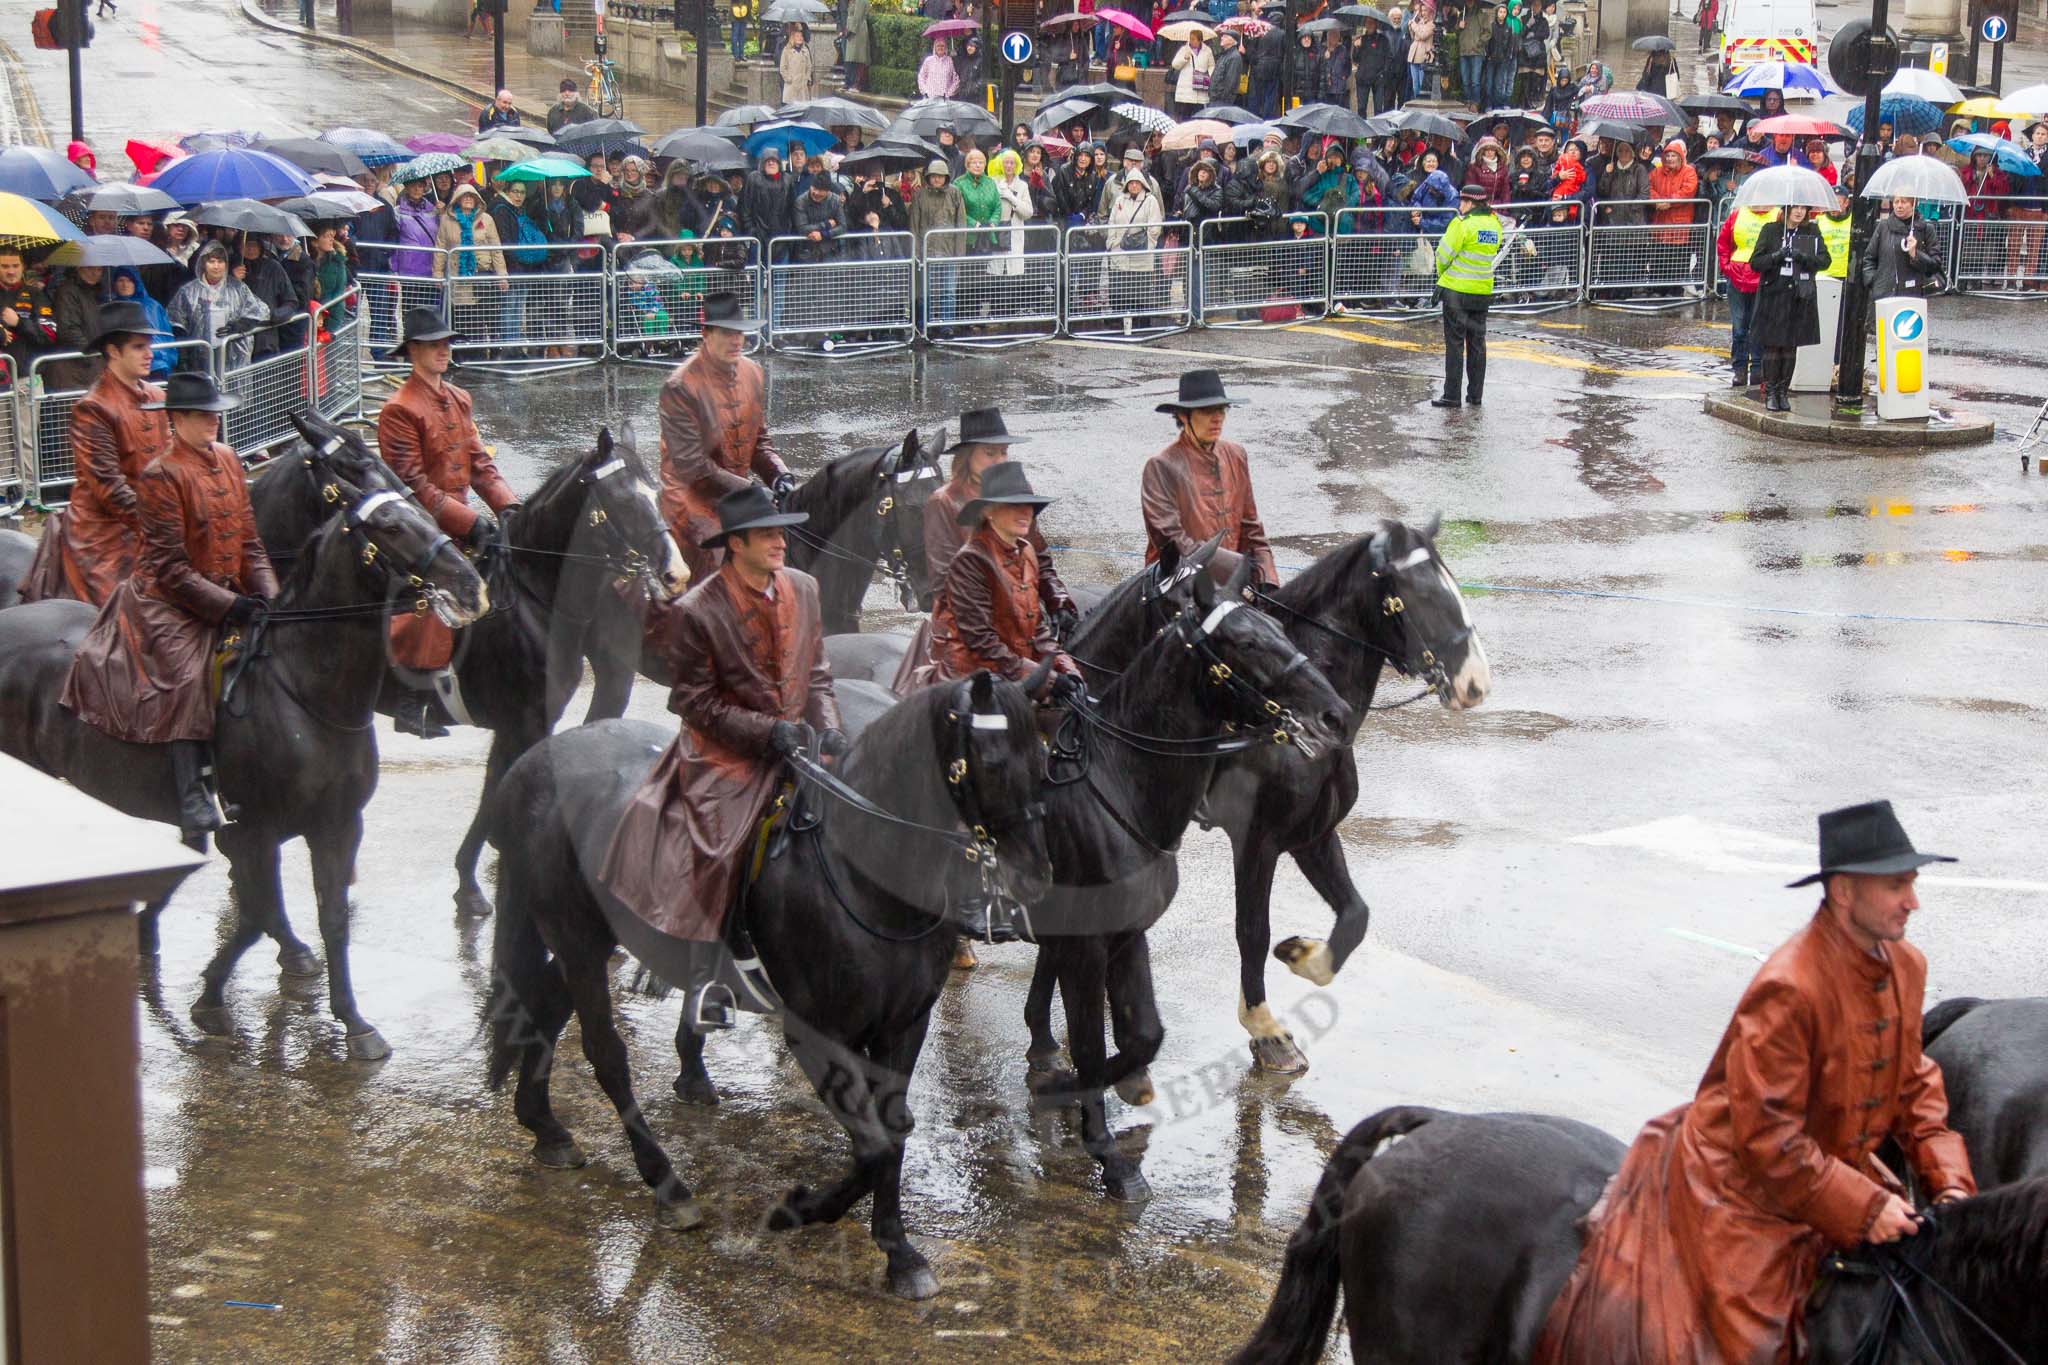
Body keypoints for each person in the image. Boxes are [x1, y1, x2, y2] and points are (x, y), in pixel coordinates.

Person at [1534, 800, 1976, 1365]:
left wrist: (1954, 1189)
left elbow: (1917, 1091)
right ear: (1844, 892)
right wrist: (1865, 1209)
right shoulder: (1790, 985)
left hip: (1837, 1179)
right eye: (1896, 886)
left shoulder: (1906, 965)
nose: (1913, 901)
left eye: (1911, 883)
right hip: (1745, 1194)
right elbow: (1770, 1143)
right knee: (1758, 1352)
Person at [599, 484, 842, 944]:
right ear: (736, 543)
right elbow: (695, 702)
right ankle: (705, 970)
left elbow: (819, 674)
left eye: (781, 534)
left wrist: (829, 729)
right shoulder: (694, 610)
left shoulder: (806, 589)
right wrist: (769, 731)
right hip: (725, 755)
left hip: (800, 741)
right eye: (767, 535)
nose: (780, 543)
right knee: (720, 850)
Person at [57, 372, 277, 850]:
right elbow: (172, 569)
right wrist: (230, 606)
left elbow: (250, 543)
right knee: (185, 673)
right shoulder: (160, 474)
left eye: (215, 412)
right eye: (202, 414)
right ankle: (192, 792)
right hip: (166, 603)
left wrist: (268, 598)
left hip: (222, 588)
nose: (212, 420)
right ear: (176, 420)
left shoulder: (229, 459)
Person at [376, 308, 517, 731]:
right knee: (437, 589)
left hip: (459, 513)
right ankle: (410, 696)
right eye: (434, 344)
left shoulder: (459, 398)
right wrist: (468, 521)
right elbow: (414, 486)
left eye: (446, 343)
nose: (443, 350)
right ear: (413, 351)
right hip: (419, 524)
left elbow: (479, 463)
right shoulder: (399, 409)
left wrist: (509, 507)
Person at [32, 303, 169, 607]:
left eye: (148, 345)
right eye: (138, 346)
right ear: (114, 351)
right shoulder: (93, 408)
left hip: (154, 522)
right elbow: (109, 488)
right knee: (123, 615)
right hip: (104, 534)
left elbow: (172, 463)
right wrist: (163, 524)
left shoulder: (158, 396)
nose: (149, 353)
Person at [909, 461, 1082, 697]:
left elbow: (1037, 629)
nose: (1025, 513)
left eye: (1029, 506)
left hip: (1019, 673)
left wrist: (1066, 668)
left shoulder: (1028, 551)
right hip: (978, 681)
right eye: (1014, 506)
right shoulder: (971, 560)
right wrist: (1048, 680)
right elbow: (981, 641)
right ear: (989, 512)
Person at [656, 291, 789, 583]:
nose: (737, 341)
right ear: (706, 334)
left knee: (786, 543)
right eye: (727, 333)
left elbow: (759, 441)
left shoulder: (753, 372)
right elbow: (692, 467)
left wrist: (779, 476)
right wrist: (749, 490)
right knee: (719, 567)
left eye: (740, 333)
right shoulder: (680, 386)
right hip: (691, 503)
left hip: (736, 495)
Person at [1141, 369, 1276, 587]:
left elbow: (1251, 528)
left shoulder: (1236, 455)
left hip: (1230, 583)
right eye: (1206, 411)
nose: (1218, 418)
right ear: (1184, 417)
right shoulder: (1161, 466)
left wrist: (1266, 580)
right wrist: (1235, 571)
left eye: (1222, 410)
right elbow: (1173, 542)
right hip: (1177, 586)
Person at [1747, 202, 1828, 412]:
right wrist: (1777, 256)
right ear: (1787, 210)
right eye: (1796, 208)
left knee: (1791, 345)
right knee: (1773, 344)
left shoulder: (1812, 230)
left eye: (1804, 208)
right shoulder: (1771, 230)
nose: (1800, 212)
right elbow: (1756, 262)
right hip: (1774, 293)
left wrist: (1802, 256)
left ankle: (1783, 392)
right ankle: (1771, 392)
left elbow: (1824, 260)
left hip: (1799, 294)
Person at [1432, 183, 1498, 408]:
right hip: (1482, 292)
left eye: (1462, 201)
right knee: (1477, 344)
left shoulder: (1462, 224)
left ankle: (1452, 395)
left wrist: (1443, 276)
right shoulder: (1494, 223)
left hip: (1457, 292)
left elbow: (1443, 254)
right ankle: (1475, 395)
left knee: (1455, 344)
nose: (1459, 205)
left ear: (1470, 203)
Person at [168, 242, 273, 373]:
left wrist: (241, 325)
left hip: (235, 357)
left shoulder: (238, 288)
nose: (216, 266)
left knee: (234, 392)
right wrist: (183, 356)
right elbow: (177, 322)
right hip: (199, 359)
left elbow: (260, 311)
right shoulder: (188, 291)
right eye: (211, 261)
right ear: (203, 263)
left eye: (220, 261)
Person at [1862, 193, 1945, 300]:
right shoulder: (1883, 227)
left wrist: (1915, 255)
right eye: (1896, 202)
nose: (1899, 206)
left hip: (1912, 294)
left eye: (1904, 202)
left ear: (1913, 204)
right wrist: (1873, 281)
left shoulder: (1926, 229)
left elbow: (1935, 265)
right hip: (1883, 294)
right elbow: (1869, 258)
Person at [0, 246, 56, 380]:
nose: (11, 271)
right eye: (5, 266)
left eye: (15, 266)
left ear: (23, 266)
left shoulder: (35, 294)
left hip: (29, 376)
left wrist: (19, 323)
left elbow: (50, 335)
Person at [1171, 30, 1216, 121]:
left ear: (1200, 40)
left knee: (1199, 116)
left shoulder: (1207, 50)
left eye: (1194, 39)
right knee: (1185, 117)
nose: (1191, 41)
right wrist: (1184, 58)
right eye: (1190, 39)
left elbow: (1211, 65)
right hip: (1186, 89)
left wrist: (1210, 76)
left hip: (1201, 87)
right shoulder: (1184, 49)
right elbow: (1175, 64)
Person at [779, 22, 818, 102]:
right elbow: (783, 67)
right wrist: (788, 78)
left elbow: (809, 66)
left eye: (801, 36)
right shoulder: (786, 50)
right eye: (797, 36)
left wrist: (807, 78)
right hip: (791, 85)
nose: (800, 38)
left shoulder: (805, 50)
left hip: (803, 86)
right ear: (792, 38)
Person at [840, 0, 871, 93]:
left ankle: (857, 84)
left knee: (858, 57)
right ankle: (850, 82)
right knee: (851, 58)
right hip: (851, 31)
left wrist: (850, 31)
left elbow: (858, 17)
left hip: (858, 31)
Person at [1211, 29, 1246, 109]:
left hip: (1222, 101)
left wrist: (1222, 97)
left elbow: (1231, 82)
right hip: (1215, 98)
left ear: (1233, 41)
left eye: (1225, 37)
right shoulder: (1223, 55)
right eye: (1222, 36)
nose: (1222, 38)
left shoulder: (1234, 57)